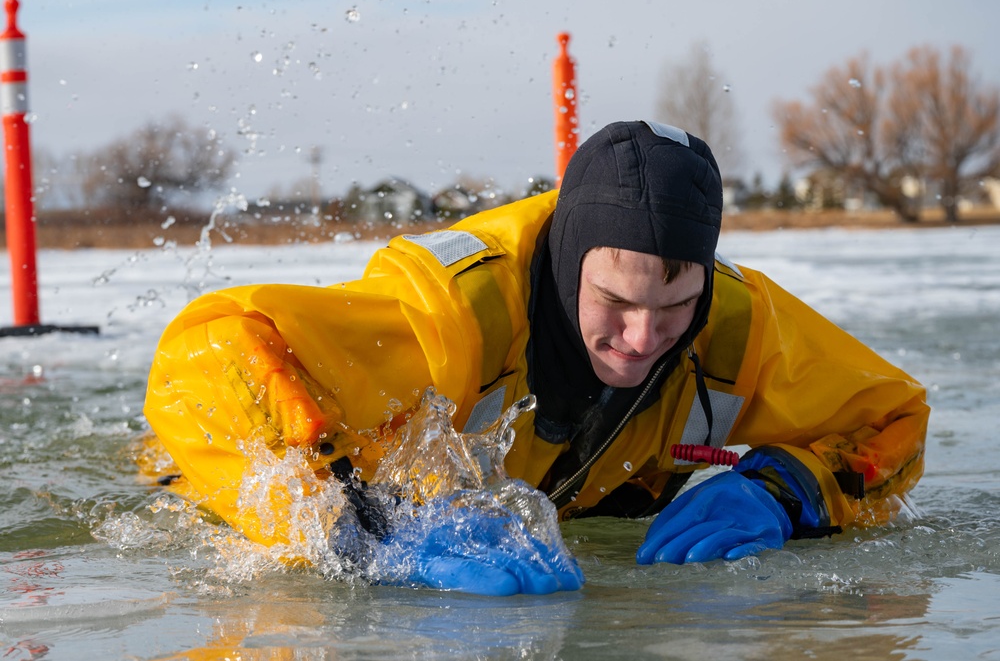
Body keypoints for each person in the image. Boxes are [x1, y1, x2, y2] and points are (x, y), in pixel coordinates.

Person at [142, 120, 929, 595]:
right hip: (202, 484)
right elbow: (206, 354)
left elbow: (893, 418)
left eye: (673, 307)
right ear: (567, 268)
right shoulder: (456, 312)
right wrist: (367, 534)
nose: (643, 339)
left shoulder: (735, 322)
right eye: (614, 303)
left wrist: (784, 490)